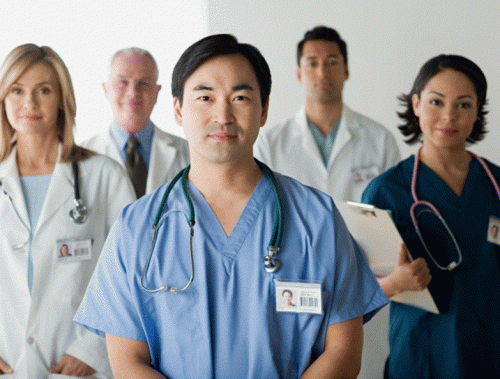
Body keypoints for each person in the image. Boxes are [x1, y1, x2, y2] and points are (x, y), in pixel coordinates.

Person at [74, 34, 388, 378]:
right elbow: (127, 361)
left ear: (264, 110)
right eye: (205, 97)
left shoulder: (317, 218)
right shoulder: (137, 227)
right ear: (178, 109)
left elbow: (344, 350)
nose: (222, 115)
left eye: (239, 97)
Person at [0, 44, 135, 378]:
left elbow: (131, 273)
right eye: (17, 90)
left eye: (43, 90)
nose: (29, 103)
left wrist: (94, 347)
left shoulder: (104, 176)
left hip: (80, 364)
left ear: (62, 99)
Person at [362, 54, 500, 378]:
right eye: (436, 102)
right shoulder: (386, 192)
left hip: (489, 358)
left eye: (464, 105)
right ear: (416, 104)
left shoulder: (496, 186)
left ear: (478, 111)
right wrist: (394, 284)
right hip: (420, 360)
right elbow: (354, 295)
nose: (449, 116)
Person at [254, 26, 400, 202]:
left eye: (331, 62)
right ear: (299, 74)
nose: (322, 73)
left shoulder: (381, 140)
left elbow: (391, 210)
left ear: (346, 71)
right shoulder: (269, 145)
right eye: (312, 63)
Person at [82, 47, 189, 198]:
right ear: (106, 89)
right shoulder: (82, 157)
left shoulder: (188, 153)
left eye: (143, 83)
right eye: (122, 82)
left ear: (157, 91)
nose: (133, 92)